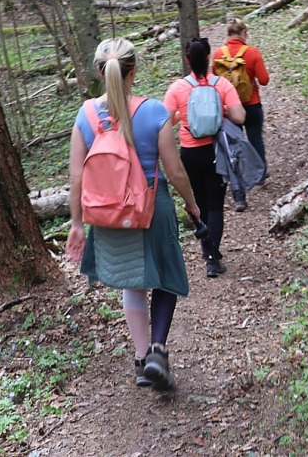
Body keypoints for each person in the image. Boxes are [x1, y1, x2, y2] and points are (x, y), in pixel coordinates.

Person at [66, 37, 201, 391]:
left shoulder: (86, 115)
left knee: (133, 283)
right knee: (166, 277)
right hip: (151, 209)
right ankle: (157, 350)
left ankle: (142, 361)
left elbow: (77, 175)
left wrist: (77, 224)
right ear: (134, 71)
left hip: (108, 215)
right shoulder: (154, 111)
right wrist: (191, 203)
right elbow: (174, 171)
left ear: (99, 72)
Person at [163, 37, 245, 278]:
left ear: (187, 60)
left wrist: (181, 115)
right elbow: (240, 117)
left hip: (189, 153)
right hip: (216, 151)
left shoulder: (178, 88)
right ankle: (212, 259)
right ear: (209, 57)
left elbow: (164, 121)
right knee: (216, 205)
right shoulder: (221, 85)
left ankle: (208, 252)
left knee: (197, 203)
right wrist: (224, 110)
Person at [212, 17, 270, 211]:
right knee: (255, 140)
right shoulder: (252, 53)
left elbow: (214, 82)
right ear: (243, 33)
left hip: (229, 110)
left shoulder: (219, 54)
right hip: (252, 106)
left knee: (234, 146)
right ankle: (260, 174)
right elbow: (264, 80)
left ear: (228, 34)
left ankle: (238, 185)